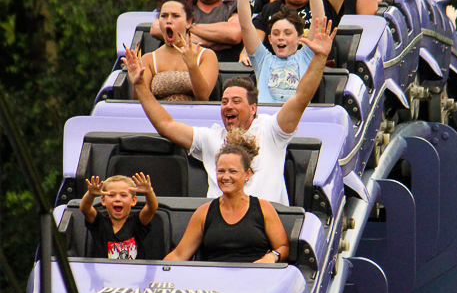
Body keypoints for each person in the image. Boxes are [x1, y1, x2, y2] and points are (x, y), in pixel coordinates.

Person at [122, 16, 335, 205]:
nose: (228, 106)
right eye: (224, 102)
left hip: (265, 229)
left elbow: (301, 98)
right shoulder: (211, 137)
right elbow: (165, 125)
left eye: (235, 101)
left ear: (253, 108)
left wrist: (319, 58)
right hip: (219, 228)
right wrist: (140, 87)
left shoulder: (271, 130)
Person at [164, 130, 290, 264]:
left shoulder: (264, 209)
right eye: (221, 171)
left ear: (247, 174)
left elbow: (283, 247)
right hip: (215, 281)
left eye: (233, 171)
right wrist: (156, 274)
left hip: (255, 278)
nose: (225, 177)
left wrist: (271, 257)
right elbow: (179, 255)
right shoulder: (203, 213)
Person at [238, 0, 318, 103]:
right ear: (270, 39)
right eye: (276, 33)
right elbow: (245, 25)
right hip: (267, 121)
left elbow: (318, 21)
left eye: (288, 33)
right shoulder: (262, 59)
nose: (281, 37)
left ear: (300, 38)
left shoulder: (306, 57)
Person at [139, 0, 218, 102]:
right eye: (164, 16)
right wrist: (137, 81)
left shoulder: (206, 56)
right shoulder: (149, 59)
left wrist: (192, 65)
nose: (169, 21)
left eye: (176, 16)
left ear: (188, 22)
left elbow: (203, 96)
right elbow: (140, 101)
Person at [80, 173, 158, 260]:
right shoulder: (99, 222)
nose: (117, 199)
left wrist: (149, 192)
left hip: (134, 271)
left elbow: (151, 208)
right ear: (103, 200)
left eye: (123, 195)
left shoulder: (137, 223)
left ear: (133, 200)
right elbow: (85, 209)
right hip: (104, 271)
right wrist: (91, 194)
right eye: (111, 195)